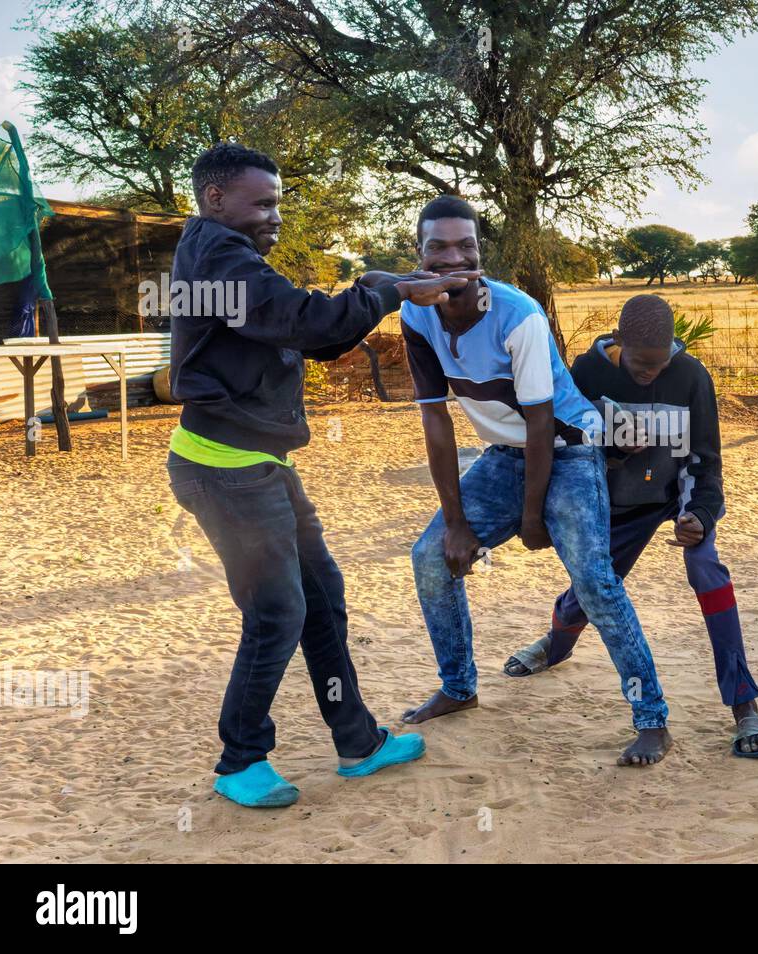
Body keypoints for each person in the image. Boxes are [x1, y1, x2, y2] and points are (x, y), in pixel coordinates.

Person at [166, 143, 475, 807]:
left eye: (279, 202)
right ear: (216, 198)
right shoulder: (217, 256)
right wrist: (386, 291)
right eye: (263, 202)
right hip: (227, 472)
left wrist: (377, 292)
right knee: (277, 613)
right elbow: (300, 318)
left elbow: (316, 335)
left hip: (263, 466)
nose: (275, 215)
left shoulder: (234, 259)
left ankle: (357, 740)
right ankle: (239, 760)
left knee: (322, 600)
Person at [399, 196, 673, 766]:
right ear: (419, 255)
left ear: (480, 253)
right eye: (439, 248)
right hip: (504, 455)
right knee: (430, 556)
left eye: (467, 247)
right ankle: (458, 686)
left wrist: (530, 518)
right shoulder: (414, 314)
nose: (455, 259)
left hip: (568, 452)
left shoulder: (517, 312)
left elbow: (544, 421)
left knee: (595, 582)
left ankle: (652, 719)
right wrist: (455, 524)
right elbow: (435, 418)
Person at [502, 295, 758, 757]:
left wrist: (700, 516)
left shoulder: (691, 377)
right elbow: (571, 449)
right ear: (620, 342)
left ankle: (744, 704)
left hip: (677, 496)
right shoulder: (586, 374)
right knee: (594, 586)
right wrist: (613, 453)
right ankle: (557, 644)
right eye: (641, 364)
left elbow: (706, 463)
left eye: (660, 363)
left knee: (706, 569)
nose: (651, 373)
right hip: (615, 501)